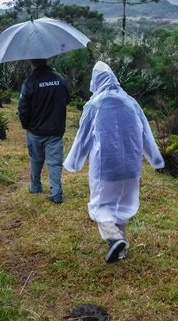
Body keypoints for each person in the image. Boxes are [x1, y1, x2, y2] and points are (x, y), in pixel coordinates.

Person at [64, 61, 164, 263]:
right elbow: (146, 133)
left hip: (106, 167)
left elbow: (83, 138)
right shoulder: (131, 102)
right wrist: (154, 158)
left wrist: (74, 162)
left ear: (96, 82)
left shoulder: (95, 105)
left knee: (101, 207)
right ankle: (121, 249)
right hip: (131, 167)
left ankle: (115, 238)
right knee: (121, 208)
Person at [18, 58, 70, 203]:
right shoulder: (60, 80)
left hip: (35, 130)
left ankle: (35, 186)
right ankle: (56, 193)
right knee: (55, 163)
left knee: (36, 159)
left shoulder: (29, 82)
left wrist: (26, 125)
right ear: (46, 61)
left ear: (32, 63)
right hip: (55, 130)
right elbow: (67, 99)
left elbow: (23, 108)